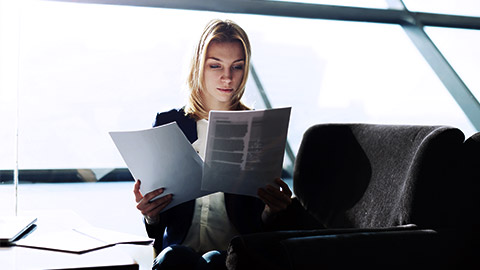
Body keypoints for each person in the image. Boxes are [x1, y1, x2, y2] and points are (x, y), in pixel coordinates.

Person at [133, 19, 292, 270]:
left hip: (233, 255)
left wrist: (273, 211)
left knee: (216, 262)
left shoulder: (258, 128)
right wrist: (150, 214)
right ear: (199, 67)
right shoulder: (169, 123)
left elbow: (260, 223)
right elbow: (158, 225)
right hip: (177, 251)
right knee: (173, 258)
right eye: (215, 65)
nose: (227, 77)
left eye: (236, 67)